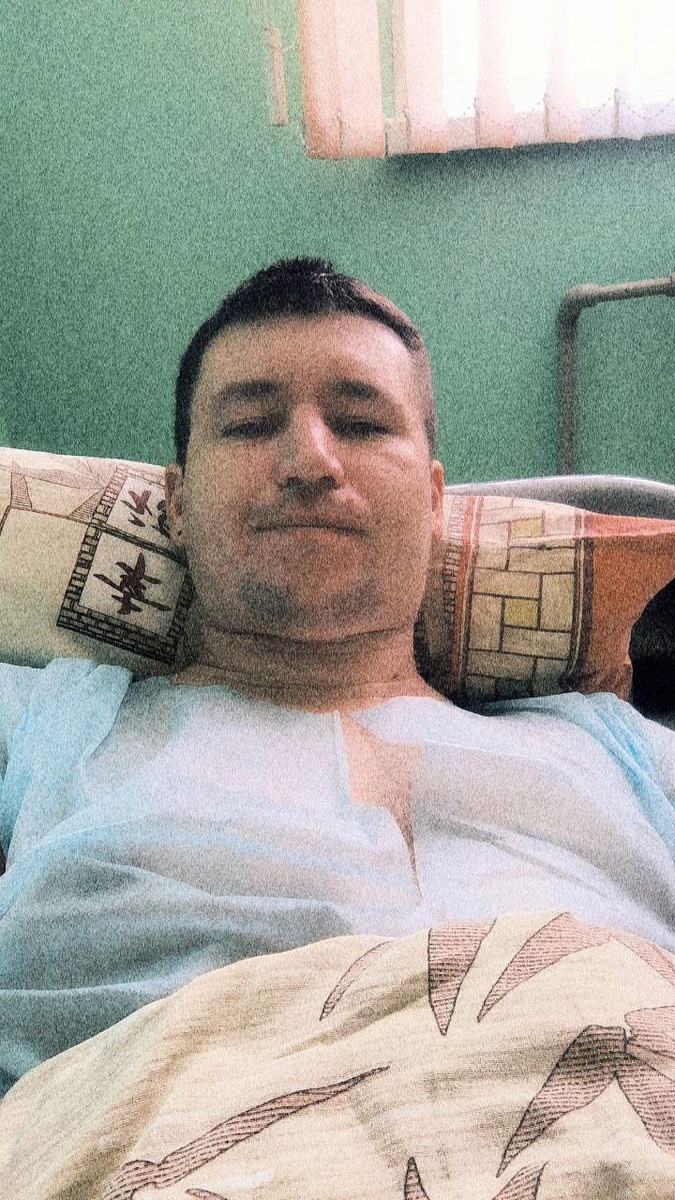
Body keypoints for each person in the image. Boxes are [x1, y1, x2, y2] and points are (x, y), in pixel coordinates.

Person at [0, 257, 673, 1103]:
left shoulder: (622, 752)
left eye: (359, 423)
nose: (309, 461)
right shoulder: (42, 722)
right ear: (175, 504)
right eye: (249, 425)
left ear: (435, 501)